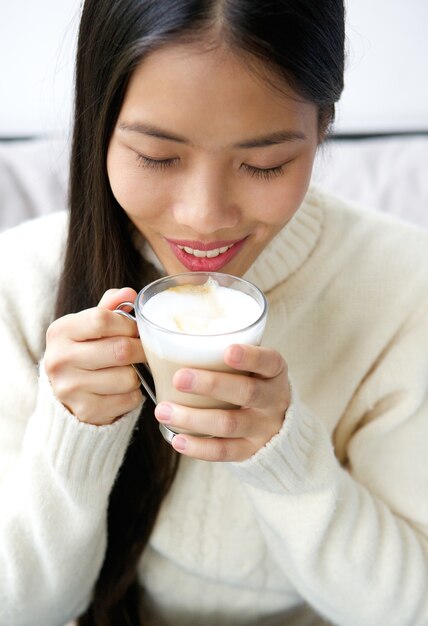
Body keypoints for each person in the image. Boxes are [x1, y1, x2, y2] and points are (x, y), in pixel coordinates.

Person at [0, 0, 427, 625]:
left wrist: (286, 460)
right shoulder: (22, 280)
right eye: (158, 157)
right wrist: (72, 435)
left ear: (324, 127)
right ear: (98, 125)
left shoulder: (406, 286)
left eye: (265, 164)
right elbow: (22, 609)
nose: (204, 216)